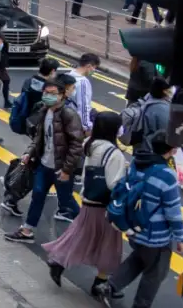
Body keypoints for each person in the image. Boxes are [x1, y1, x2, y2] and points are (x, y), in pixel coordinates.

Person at [94, 130, 183, 307]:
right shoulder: (167, 175)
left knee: (138, 259)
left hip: (134, 226)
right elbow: (173, 212)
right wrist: (181, 238)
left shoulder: (138, 162)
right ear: (172, 150)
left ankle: (110, 286)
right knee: (154, 274)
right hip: (156, 236)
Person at [43, 111, 127, 295]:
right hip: (104, 206)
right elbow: (114, 183)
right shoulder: (114, 153)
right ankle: (100, 282)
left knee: (80, 236)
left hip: (89, 200)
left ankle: (58, 261)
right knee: (109, 244)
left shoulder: (90, 145)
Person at [4, 79, 83, 243]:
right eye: (46, 93)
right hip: (44, 164)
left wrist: (67, 170)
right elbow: (39, 138)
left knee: (66, 200)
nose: (48, 96)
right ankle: (27, 230)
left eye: (53, 94)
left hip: (61, 168)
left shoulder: (69, 114)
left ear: (62, 95)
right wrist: (29, 152)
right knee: (38, 195)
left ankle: (87, 228)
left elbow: (76, 145)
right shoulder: (43, 110)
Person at [130, 77, 173, 153]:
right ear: (164, 91)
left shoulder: (147, 99)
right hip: (152, 150)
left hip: (139, 146)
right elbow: (166, 132)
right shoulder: (162, 108)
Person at [65, 53, 99, 134]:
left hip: (64, 118)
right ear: (89, 66)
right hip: (75, 122)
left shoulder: (67, 75)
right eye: (94, 67)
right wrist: (86, 126)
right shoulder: (82, 82)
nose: (94, 70)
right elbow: (83, 105)